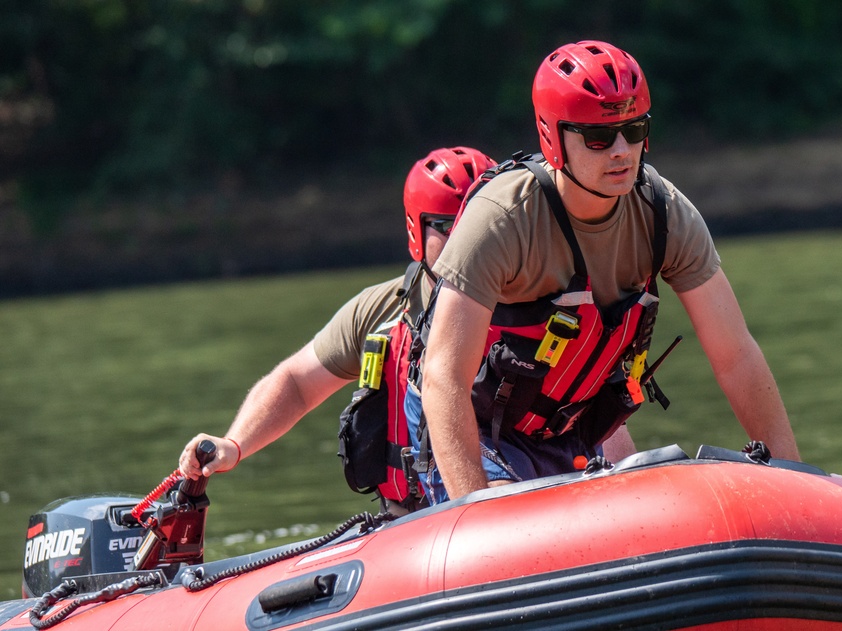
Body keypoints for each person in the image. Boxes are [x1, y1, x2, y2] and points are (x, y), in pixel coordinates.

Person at [406, 40, 801, 505]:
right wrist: (473, 514)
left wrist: (794, 477)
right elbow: (444, 376)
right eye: (598, 137)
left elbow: (736, 356)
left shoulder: (665, 214)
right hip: (477, 431)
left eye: (633, 130)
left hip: (572, 430)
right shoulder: (501, 218)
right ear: (553, 137)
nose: (621, 151)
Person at [178, 146, 496, 513]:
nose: (468, 239)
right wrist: (233, 445)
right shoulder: (384, 309)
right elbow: (297, 383)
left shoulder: (536, 294)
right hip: (414, 522)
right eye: (447, 225)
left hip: (511, 499)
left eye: (478, 222)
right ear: (415, 231)